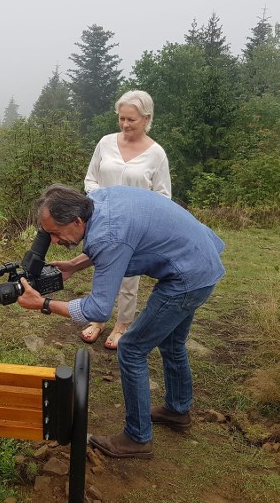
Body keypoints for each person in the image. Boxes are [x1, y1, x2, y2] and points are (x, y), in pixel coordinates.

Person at [16, 184, 224, 459]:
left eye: (55, 232)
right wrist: (77, 264)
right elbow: (121, 238)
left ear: (77, 220)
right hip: (201, 258)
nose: (54, 240)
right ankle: (177, 410)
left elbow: (98, 310)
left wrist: (42, 303)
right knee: (172, 343)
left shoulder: (106, 236)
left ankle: (137, 438)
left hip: (186, 278)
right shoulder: (96, 201)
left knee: (132, 348)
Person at [82, 90, 171, 350]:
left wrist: (142, 217)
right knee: (101, 270)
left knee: (129, 279)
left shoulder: (156, 154)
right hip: (103, 221)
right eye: (121, 118)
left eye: (131, 119)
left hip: (136, 229)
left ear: (146, 118)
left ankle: (123, 324)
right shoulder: (105, 143)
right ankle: (97, 319)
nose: (125, 124)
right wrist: (102, 200)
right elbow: (90, 179)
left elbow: (163, 196)